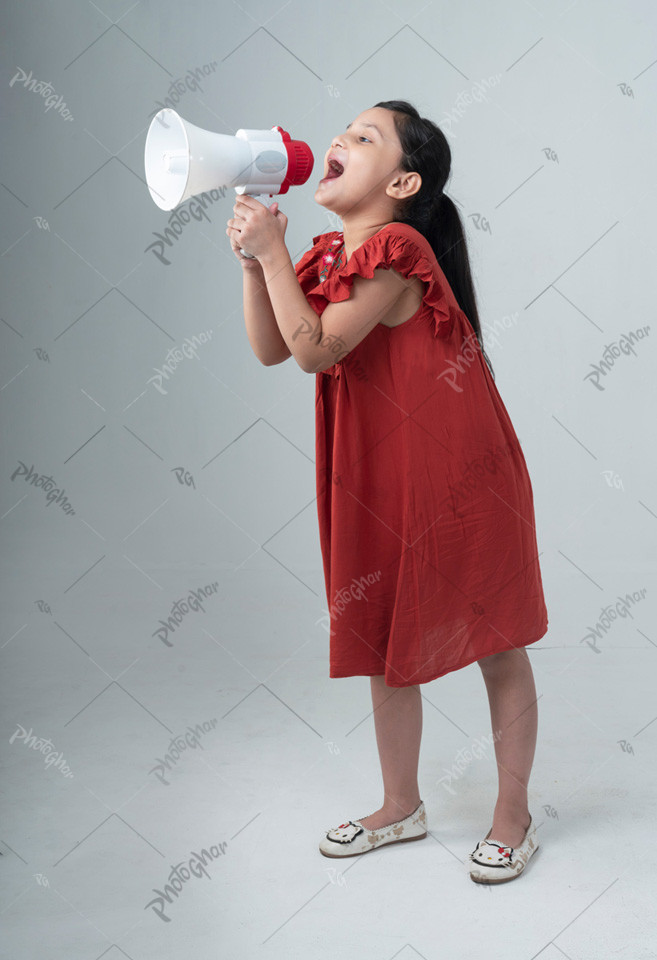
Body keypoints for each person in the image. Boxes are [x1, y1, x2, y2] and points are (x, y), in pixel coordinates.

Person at [226, 99, 548, 884]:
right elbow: (272, 347)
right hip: (377, 477)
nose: (338, 138)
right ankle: (399, 805)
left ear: (403, 181)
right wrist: (254, 263)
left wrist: (272, 254)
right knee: (378, 633)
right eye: (344, 128)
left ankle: (513, 814)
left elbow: (315, 351)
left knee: (494, 642)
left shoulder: (398, 247)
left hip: (456, 476)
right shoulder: (331, 253)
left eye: (364, 137)